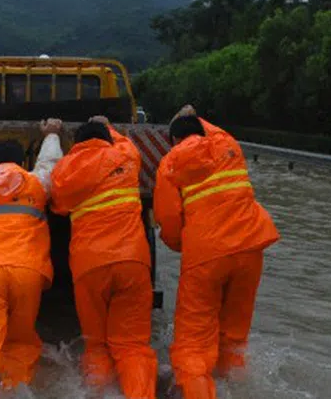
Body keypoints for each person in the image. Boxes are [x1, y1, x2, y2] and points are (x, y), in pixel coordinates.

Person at [153, 105, 280, 399]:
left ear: (173, 141)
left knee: (193, 346)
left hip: (206, 255)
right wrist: (194, 115)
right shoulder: (227, 145)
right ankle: (233, 387)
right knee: (233, 339)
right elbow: (212, 131)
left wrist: (186, 245)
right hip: (251, 247)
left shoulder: (171, 163)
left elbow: (170, 224)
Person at [49, 116, 158, 399]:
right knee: (133, 346)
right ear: (106, 138)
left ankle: (97, 392)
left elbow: (58, 207)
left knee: (96, 346)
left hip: (90, 267)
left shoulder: (65, 169)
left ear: (77, 145)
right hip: (132, 261)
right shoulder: (125, 156)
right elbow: (127, 143)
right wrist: (107, 125)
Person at [0, 120, 65, 399]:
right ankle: (13, 390)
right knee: (20, 341)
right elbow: (50, 165)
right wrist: (52, 135)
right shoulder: (37, 184)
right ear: (22, 162)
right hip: (27, 270)